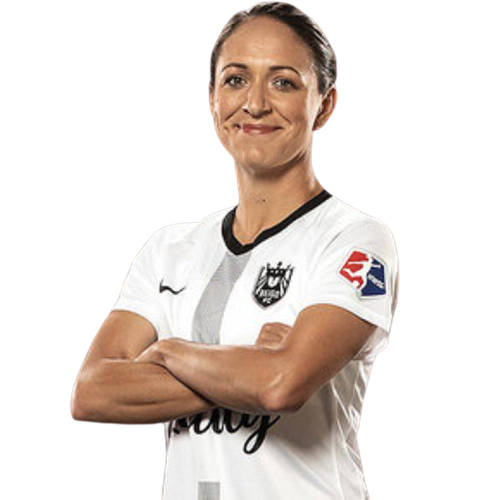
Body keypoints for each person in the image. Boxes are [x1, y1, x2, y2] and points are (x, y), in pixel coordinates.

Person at [71, 3, 398, 499]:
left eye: (284, 82)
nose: (256, 104)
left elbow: (280, 386)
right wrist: (250, 364)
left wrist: (168, 351)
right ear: (213, 100)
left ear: (324, 105)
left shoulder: (354, 240)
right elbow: (93, 391)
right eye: (236, 80)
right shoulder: (169, 250)